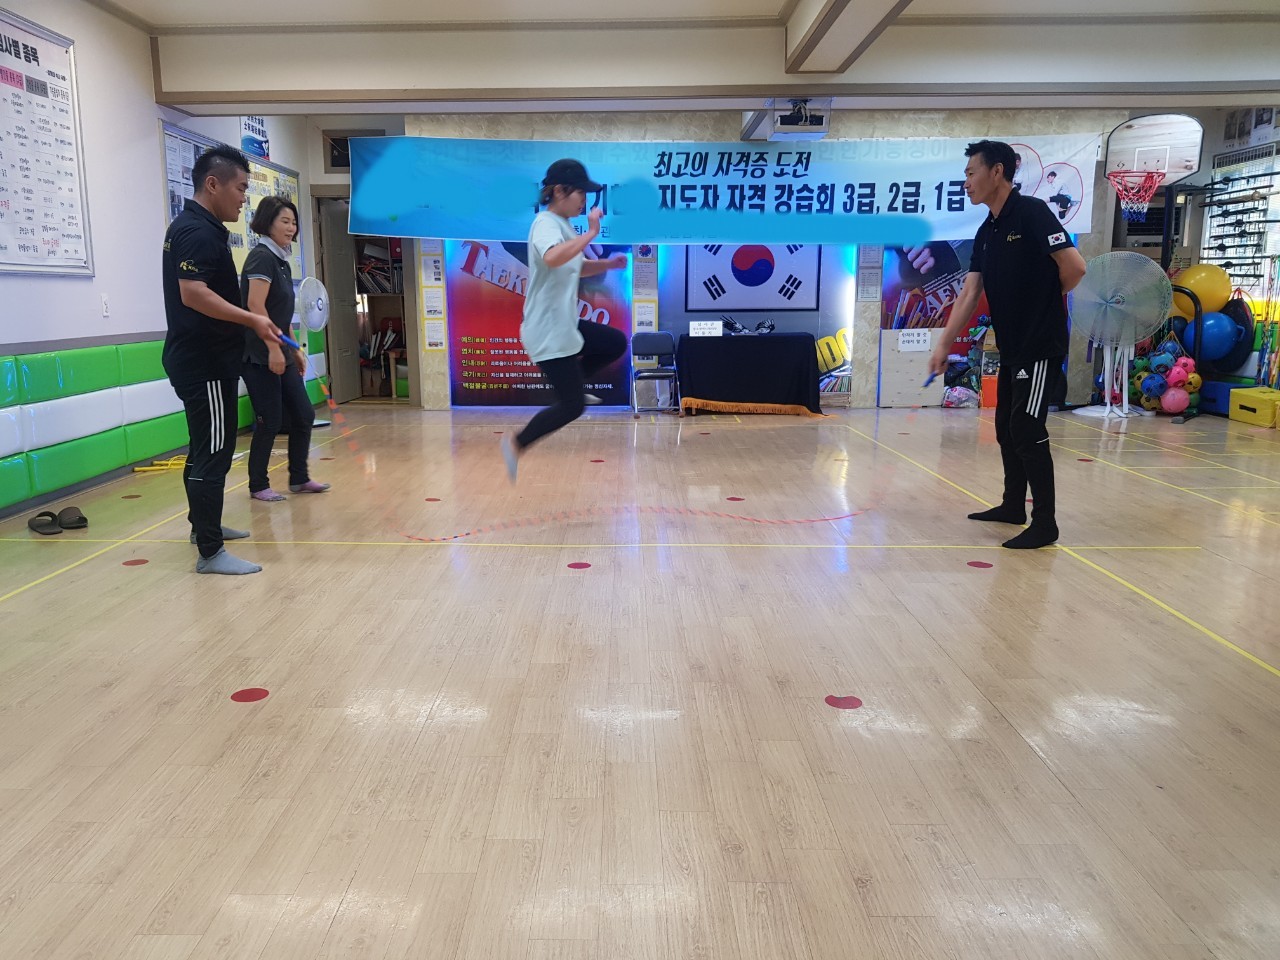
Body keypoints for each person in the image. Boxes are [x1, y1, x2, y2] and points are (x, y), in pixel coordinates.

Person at [927, 140, 1087, 549]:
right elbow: (969, 293)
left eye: (971, 173)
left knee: (1027, 427)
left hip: (1039, 344)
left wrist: (1044, 301)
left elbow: (1075, 267)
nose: (966, 182)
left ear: (997, 172)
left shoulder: (1032, 213)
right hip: (1011, 346)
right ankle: (1013, 504)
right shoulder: (987, 230)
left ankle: (1045, 523)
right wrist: (943, 344)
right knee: (1005, 428)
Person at [162, 146, 281, 575]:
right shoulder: (196, 231)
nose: (245, 198)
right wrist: (252, 318)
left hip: (205, 360)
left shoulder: (201, 228)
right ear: (213, 184)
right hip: (205, 363)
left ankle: (203, 528)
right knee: (214, 452)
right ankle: (210, 552)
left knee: (203, 449)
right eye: (241, 188)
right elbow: (193, 293)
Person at [501, 159, 628, 482]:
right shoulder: (545, 223)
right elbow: (552, 257)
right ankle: (516, 443)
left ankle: (575, 383)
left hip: (564, 323)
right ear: (559, 191)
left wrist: (608, 265)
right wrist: (593, 233)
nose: (585, 199)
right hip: (546, 329)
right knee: (572, 407)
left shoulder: (564, 226)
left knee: (615, 342)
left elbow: (575, 266)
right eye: (580, 193)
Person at [240, 196, 328, 502]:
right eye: (284, 221)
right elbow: (255, 306)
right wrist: (273, 349)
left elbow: (280, 313)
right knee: (270, 420)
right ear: (268, 223)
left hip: (280, 349)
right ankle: (258, 485)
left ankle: (299, 479)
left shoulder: (281, 260)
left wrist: (294, 349)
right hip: (259, 355)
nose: (291, 228)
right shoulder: (261, 258)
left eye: (293, 222)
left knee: (304, 414)